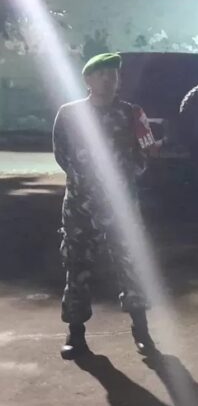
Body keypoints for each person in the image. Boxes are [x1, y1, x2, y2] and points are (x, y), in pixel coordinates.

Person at [53, 52, 158, 360]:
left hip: (121, 206)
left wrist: (122, 179)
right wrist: (87, 181)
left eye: (113, 74)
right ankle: (75, 334)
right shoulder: (69, 114)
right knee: (77, 267)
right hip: (80, 206)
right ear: (87, 80)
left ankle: (141, 330)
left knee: (131, 264)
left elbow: (144, 154)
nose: (108, 79)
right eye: (101, 74)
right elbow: (62, 155)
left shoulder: (132, 114)